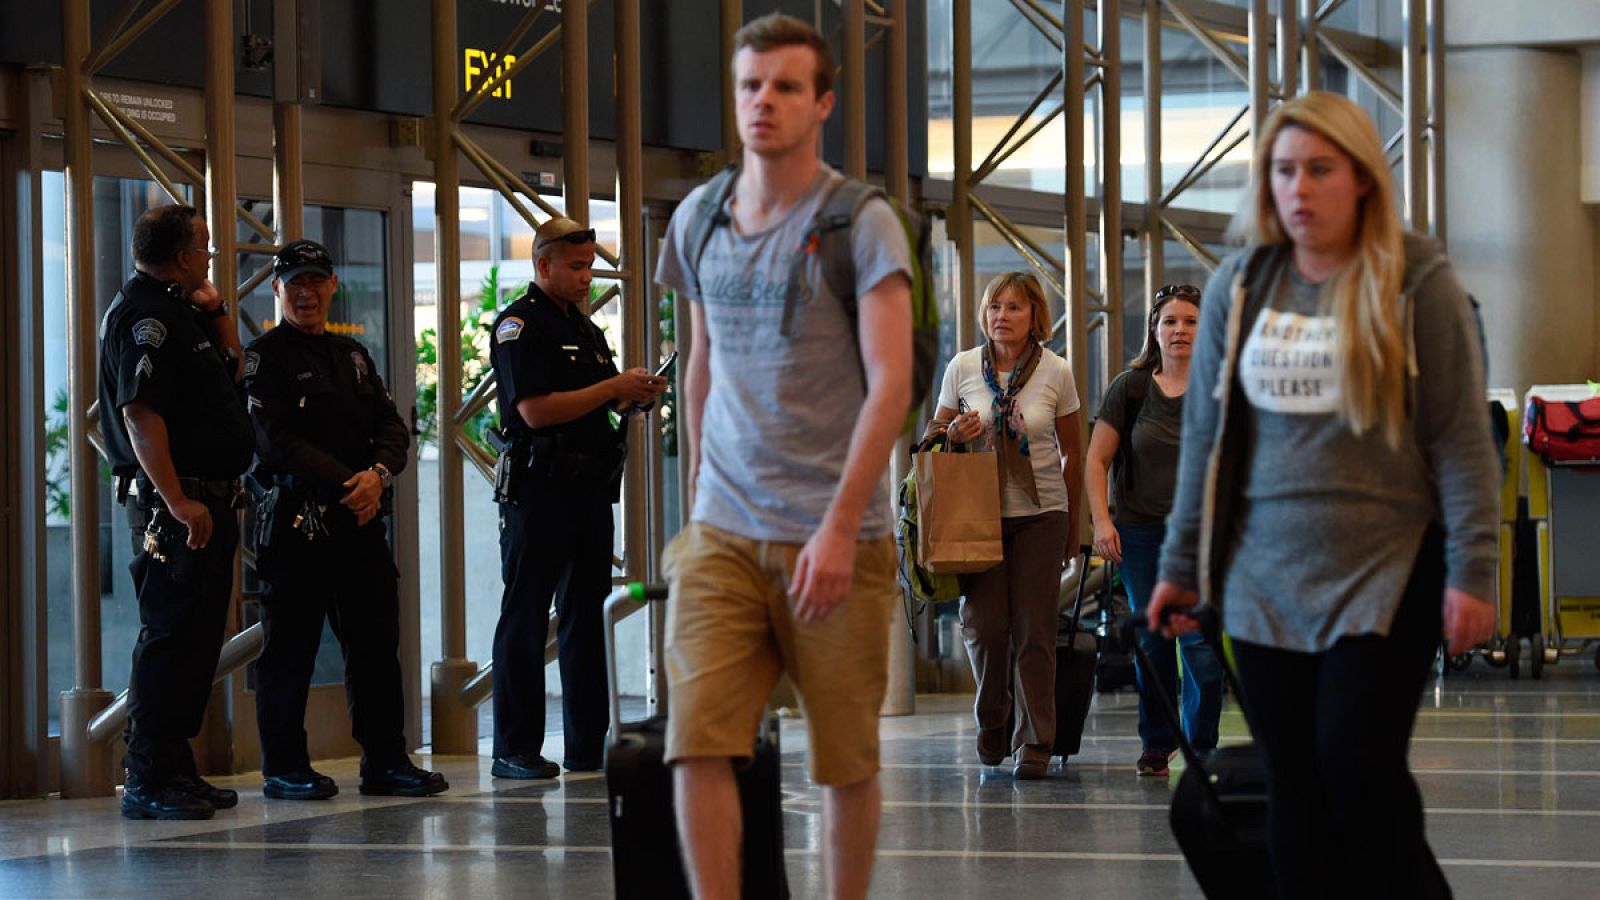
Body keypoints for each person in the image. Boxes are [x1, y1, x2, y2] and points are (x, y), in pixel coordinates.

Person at [1148, 92, 1498, 898]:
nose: (1298, 188)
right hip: (1262, 581)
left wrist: (1474, 572)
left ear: (1363, 179)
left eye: (1319, 170)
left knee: (1357, 768)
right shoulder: (1240, 286)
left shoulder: (1417, 281)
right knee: (1294, 787)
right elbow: (1204, 441)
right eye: (1282, 172)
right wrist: (1180, 566)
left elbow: (1460, 440)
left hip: (1387, 570)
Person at [653, 13, 911, 900]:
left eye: (786, 86)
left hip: (836, 536)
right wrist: (693, 510)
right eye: (749, 85)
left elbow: (891, 385)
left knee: (843, 760)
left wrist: (840, 529)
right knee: (696, 744)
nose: (763, 101)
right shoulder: (698, 218)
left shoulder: (861, 224)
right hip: (723, 530)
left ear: (823, 102)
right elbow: (701, 365)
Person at [244, 239, 446, 800]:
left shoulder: (352, 356)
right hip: (297, 523)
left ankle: (385, 761)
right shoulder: (263, 359)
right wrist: (349, 482)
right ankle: (284, 767)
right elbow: (275, 442)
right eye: (295, 284)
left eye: (316, 282)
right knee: (290, 652)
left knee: (377, 647)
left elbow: (393, 425)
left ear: (333, 286)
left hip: (359, 521)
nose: (306, 294)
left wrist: (378, 474)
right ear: (277, 290)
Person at [487, 216, 665, 779]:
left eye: (591, 266)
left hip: (588, 492)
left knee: (586, 617)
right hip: (539, 492)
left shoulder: (584, 329)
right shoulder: (520, 325)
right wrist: (613, 388)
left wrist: (633, 395)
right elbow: (535, 410)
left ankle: (589, 745)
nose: (587, 277)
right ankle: (515, 748)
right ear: (543, 265)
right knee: (525, 615)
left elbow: (602, 400)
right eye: (576, 266)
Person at [98, 204, 255, 820]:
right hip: (176, 505)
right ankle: (145, 777)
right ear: (184, 255)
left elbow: (232, 370)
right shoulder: (146, 316)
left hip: (207, 500)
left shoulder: (184, 311)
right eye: (207, 247)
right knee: (168, 636)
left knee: (196, 639)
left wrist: (217, 313)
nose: (211, 257)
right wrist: (179, 500)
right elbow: (141, 416)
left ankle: (174, 765)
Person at [929, 271, 1084, 780]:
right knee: (985, 627)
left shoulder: (1057, 371)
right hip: (979, 514)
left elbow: (1073, 454)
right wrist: (954, 432)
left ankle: (1034, 742)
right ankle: (991, 721)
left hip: (1042, 513)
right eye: (995, 307)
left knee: (1034, 630)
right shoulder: (963, 367)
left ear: (1035, 315)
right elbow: (933, 439)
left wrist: (1071, 531)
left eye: (1014, 307)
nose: (1002, 316)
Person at [1084, 283, 1223, 777]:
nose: (1180, 330)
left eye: (1190, 321)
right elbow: (1097, 458)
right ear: (1155, 329)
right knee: (1155, 644)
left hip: (1203, 539)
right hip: (1141, 534)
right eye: (1170, 321)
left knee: (1202, 649)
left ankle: (1201, 746)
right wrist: (1102, 521)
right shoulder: (1132, 387)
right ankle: (1157, 740)